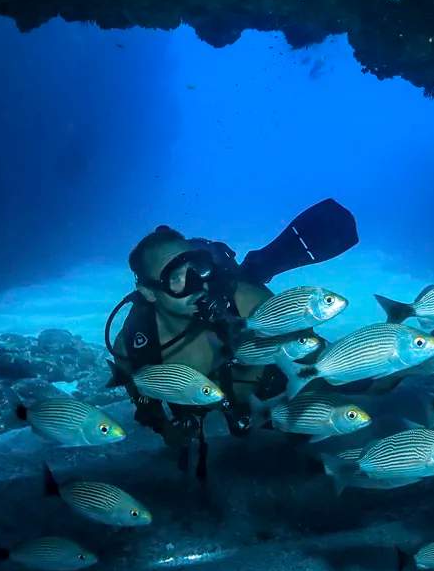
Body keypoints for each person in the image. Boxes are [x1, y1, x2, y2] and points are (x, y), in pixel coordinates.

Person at [105, 201, 360, 477]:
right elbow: (142, 397)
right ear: (150, 292)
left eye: (196, 269)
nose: (196, 284)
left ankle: (256, 268)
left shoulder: (246, 302)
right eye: (175, 278)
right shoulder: (135, 345)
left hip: (267, 401)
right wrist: (164, 427)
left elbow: (316, 356)